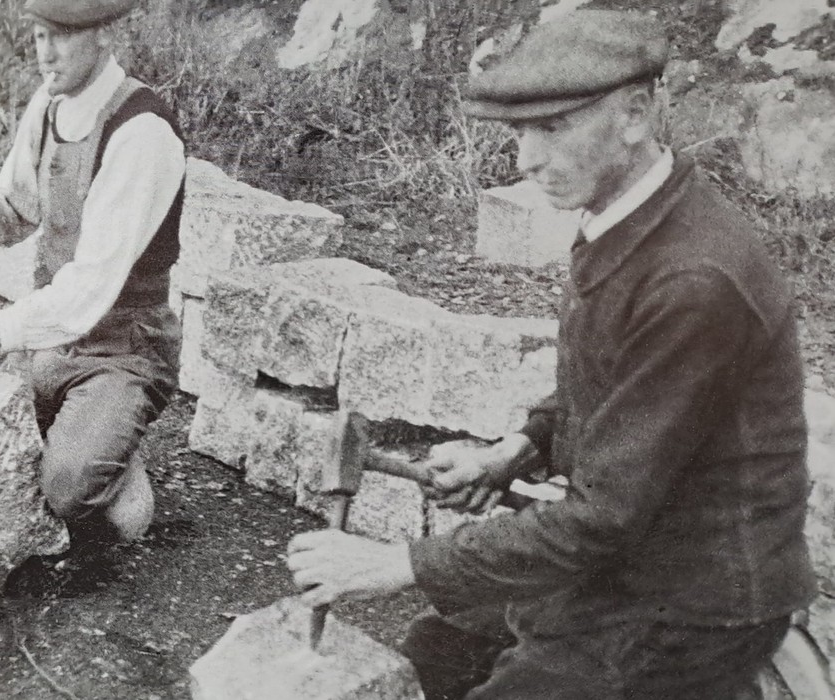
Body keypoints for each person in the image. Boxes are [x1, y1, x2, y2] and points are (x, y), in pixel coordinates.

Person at [287, 10, 816, 699]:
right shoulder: (628, 220)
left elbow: (603, 519)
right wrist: (519, 446)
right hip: (634, 560)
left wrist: (398, 562)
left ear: (634, 114)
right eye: (520, 132)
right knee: (435, 650)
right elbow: (611, 380)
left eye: (554, 128)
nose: (527, 160)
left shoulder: (693, 279)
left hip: (693, 602)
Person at [0, 0, 186, 544]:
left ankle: (113, 441)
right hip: (55, 342)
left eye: (63, 37)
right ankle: (90, 429)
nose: (46, 56)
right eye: (39, 37)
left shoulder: (140, 132)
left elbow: (91, 288)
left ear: (105, 34)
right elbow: (18, 216)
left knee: (73, 489)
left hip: (125, 346)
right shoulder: (50, 107)